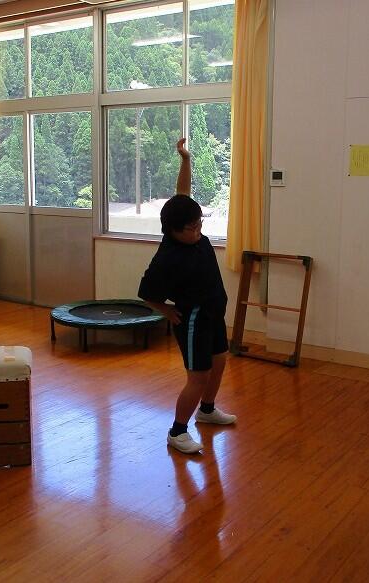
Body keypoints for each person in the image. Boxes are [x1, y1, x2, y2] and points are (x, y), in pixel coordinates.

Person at [138, 138, 237, 454]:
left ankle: (207, 411)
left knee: (219, 362)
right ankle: (177, 431)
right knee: (199, 375)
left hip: (213, 313)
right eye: (192, 228)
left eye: (199, 225)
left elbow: (183, 191)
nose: (198, 231)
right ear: (173, 230)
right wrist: (166, 311)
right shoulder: (167, 258)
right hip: (193, 320)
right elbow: (146, 292)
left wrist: (185, 159)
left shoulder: (186, 222)